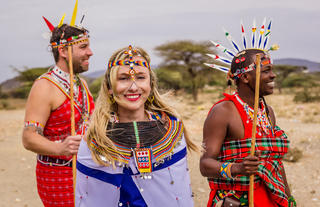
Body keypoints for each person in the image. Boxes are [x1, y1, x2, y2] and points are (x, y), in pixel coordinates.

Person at [75, 45, 197, 207]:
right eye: (123, 78)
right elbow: (90, 199)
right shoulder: (95, 139)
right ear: (110, 87)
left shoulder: (172, 130)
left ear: (151, 84)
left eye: (140, 77)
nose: (133, 87)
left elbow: (179, 193)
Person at [200, 47, 296, 207]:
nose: (273, 75)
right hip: (236, 200)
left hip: (270, 196)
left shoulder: (267, 111)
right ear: (245, 77)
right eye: (266, 70)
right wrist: (238, 168)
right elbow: (205, 165)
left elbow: (275, 162)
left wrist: (288, 199)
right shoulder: (223, 111)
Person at [22, 10, 94, 207]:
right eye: (83, 47)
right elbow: (29, 137)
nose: (90, 52)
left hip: (86, 171)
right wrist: (59, 148)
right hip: (59, 176)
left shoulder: (82, 84)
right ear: (63, 51)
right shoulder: (44, 87)